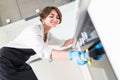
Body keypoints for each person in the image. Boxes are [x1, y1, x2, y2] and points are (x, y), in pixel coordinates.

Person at [0, 6, 82, 80]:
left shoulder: (48, 35)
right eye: (51, 16)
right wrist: (71, 54)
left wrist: (79, 36)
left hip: (18, 63)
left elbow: (63, 43)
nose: (55, 19)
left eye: (58, 17)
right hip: (4, 62)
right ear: (43, 18)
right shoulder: (33, 30)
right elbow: (44, 51)